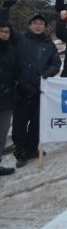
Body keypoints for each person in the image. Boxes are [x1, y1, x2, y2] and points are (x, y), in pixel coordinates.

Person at [9, 13, 61, 167]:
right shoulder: (20, 39)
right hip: (22, 88)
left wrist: (49, 72)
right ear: (29, 25)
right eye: (35, 23)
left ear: (45, 27)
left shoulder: (48, 43)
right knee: (20, 122)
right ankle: (21, 152)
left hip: (41, 89)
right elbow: (7, 30)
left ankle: (32, 149)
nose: (38, 25)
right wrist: (4, 13)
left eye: (41, 23)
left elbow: (56, 62)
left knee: (37, 122)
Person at [0, 19, 17, 175]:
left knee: (2, 133)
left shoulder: (12, 50)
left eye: (7, 32)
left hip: (6, 99)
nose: (4, 34)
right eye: (1, 31)